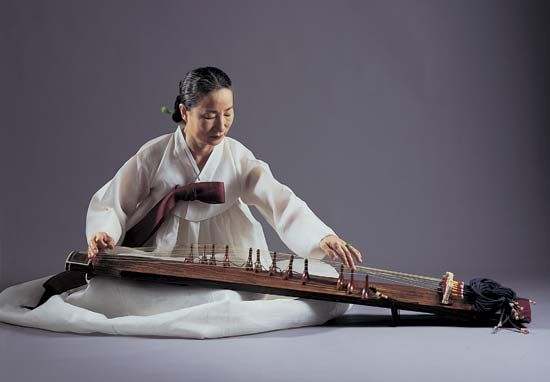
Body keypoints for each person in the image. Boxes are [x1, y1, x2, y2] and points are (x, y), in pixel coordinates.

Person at [86, 66, 362, 270]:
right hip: (163, 253)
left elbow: (279, 200)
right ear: (185, 112)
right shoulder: (155, 154)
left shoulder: (238, 157)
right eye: (208, 116)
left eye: (228, 114)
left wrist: (322, 235)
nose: (221, 126)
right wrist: (104, 232)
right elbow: (114, 201)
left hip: (231, 254)